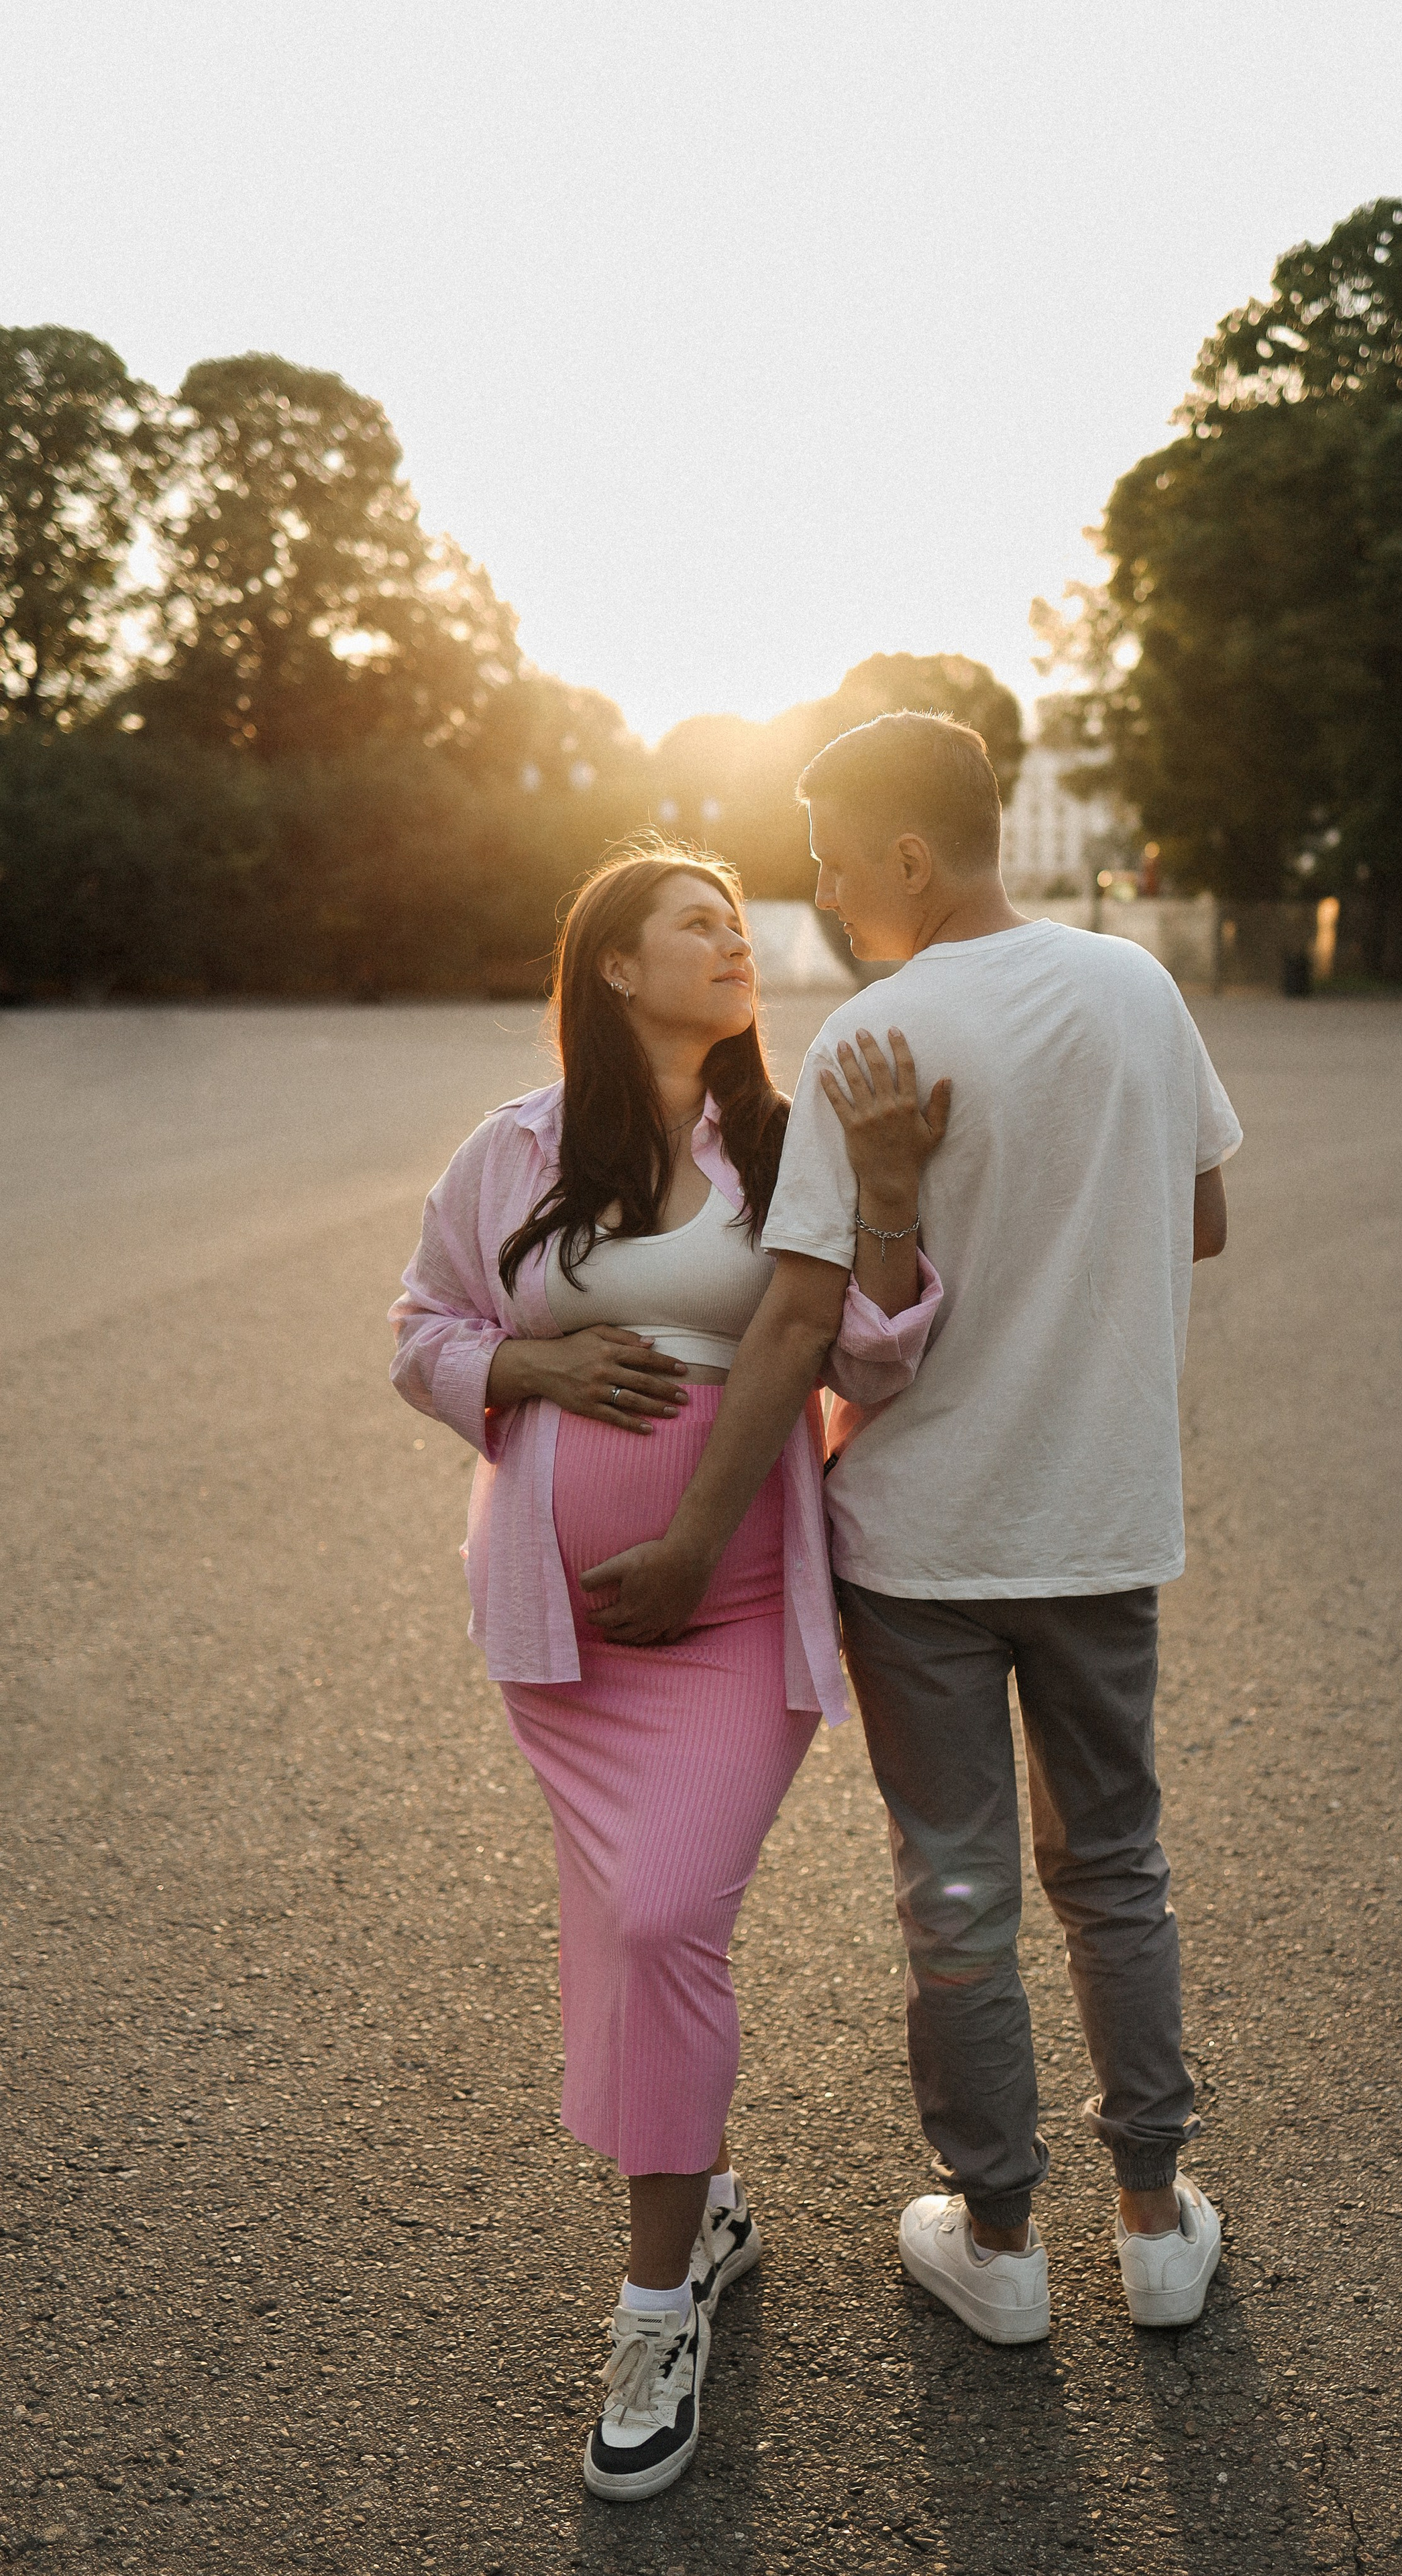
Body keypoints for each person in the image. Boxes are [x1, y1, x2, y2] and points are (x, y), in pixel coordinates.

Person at [584, 716, 1241, 2347]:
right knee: (1115, 1870)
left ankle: (1000, 2242)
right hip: (1099, 1523)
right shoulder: (1135, 993)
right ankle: (1156, 2223)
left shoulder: (877, 1042)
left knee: (954, 1887)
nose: (807, 893)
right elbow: (1203, 1215)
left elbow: (806, 1325)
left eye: (820, 856)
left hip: (924, 1548)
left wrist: (685, 1547)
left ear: (901, 856)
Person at [388, 842, 947, 2499]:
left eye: (735, 922)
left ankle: (653, 2306)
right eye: (694, 922)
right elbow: (418, 1328)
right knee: (627, 1920)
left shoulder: (790, 1148)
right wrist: (525, 1358)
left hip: (731, 1607)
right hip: (553, 1636)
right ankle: (692, 2196)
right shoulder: (514, 1151)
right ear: (612, 967)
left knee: (655, 1913)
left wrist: (898, 1206)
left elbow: (872, 1352)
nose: (733, 940)